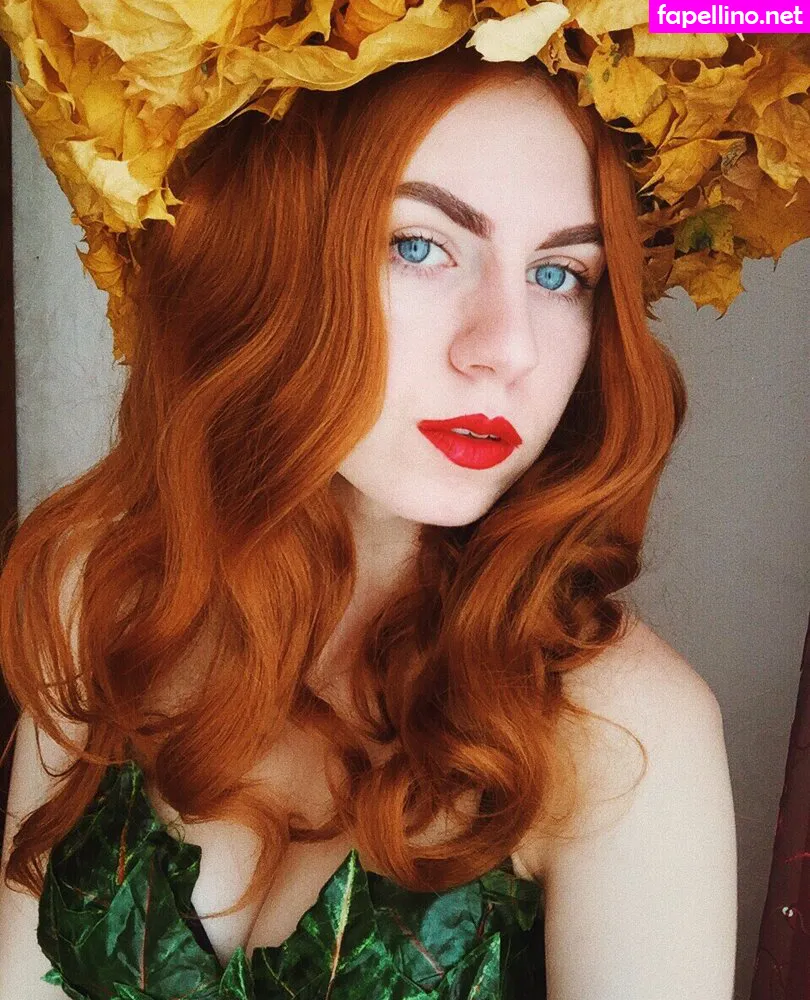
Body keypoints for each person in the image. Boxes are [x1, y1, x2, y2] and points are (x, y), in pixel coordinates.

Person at [0, 45, 736, 999]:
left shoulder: (624, 733)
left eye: (560, 274)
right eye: (420, 246)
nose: (506, 348)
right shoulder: (100, 588)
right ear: (267, 253)